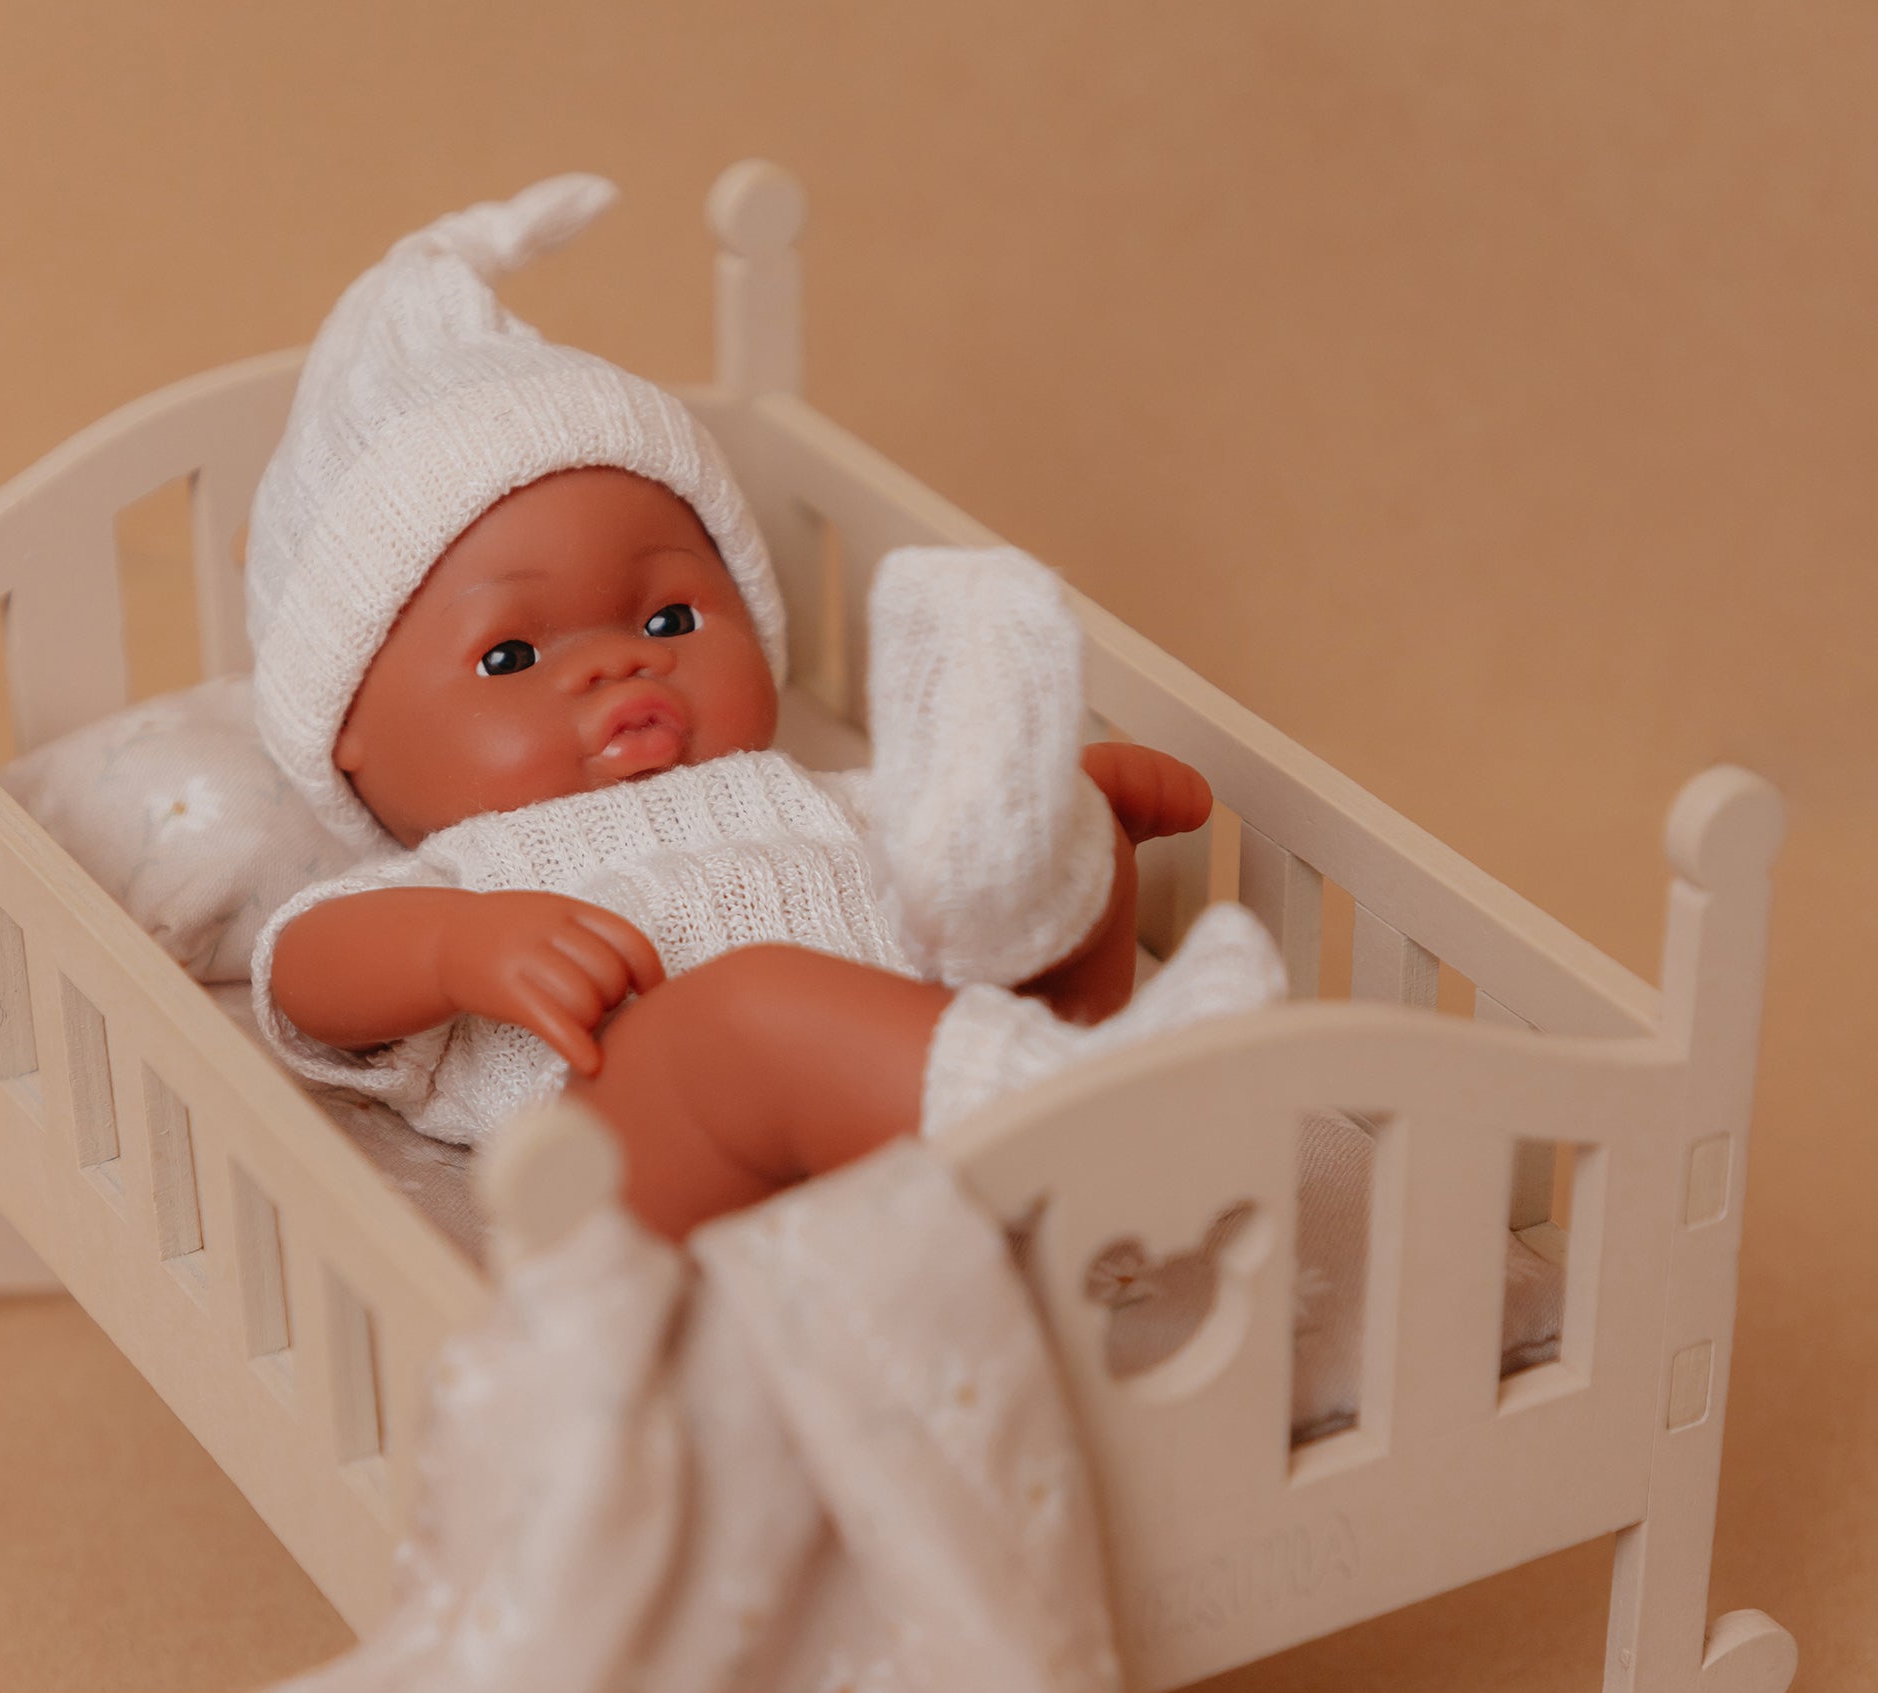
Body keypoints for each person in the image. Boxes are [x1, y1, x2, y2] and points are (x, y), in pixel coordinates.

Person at [247, 177, 1278, 1237]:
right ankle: (1061, 1125)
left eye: (668, 620)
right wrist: (454, 946)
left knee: (996, 878)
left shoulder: (816, 797)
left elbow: (949, 875)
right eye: (510, 655)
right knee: (744, 1013)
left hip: (924, 1075)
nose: (619, 665)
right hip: (648, 1172)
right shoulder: (456, 879)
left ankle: (1083, 1056)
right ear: (346, 737)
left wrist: (1049, 823)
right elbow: (300, 977)